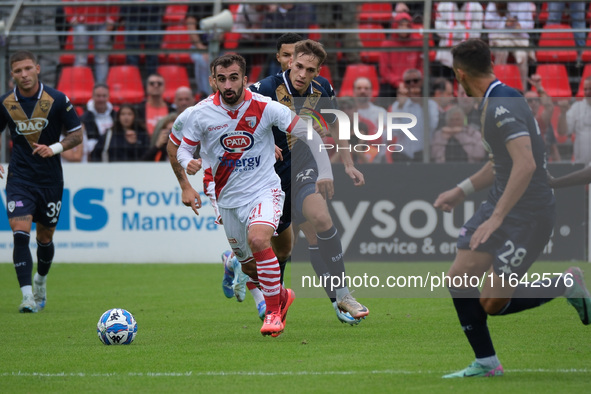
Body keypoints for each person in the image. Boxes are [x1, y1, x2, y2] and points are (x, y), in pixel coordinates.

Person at [433, 38, 590, 378]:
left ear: (460, 74)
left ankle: (564, 284)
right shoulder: (493, 100)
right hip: (502, 203)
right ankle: (487, 364)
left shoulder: (502, 104)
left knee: (493, 303)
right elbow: (499, 164)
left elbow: (525, 165)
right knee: (459, 278)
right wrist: (461, 191)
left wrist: (498, 218)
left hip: (529, 214)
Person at [176, 53, 332, 337]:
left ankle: (272, 313)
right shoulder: (200, 114)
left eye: (234, 78)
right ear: (212, 81)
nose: (228, 85)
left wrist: (325, 173)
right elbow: (183, 149)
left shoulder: (266, 107)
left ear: (245, 80)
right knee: (249, 269)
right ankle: (281, 295)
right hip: (228, 200)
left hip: (264, 190)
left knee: (259, 239)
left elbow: (309, 134)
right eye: (221, 79)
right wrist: (189, 163)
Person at [250, 40, 369, 324]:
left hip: (304, 168)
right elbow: (238, 112)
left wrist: (348, 163)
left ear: (318, 72)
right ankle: (270, 302)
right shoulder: (266, 89)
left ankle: (343, 295)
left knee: (320, 220)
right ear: (289, 62)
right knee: (279, 250)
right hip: (269, 178)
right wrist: (262, 144)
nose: (302, 74)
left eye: (310, 69)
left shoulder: (322, 89)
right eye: (299, 66)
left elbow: (337, 122)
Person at [0, 51, 83, 313]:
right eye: (17, 71)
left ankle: (40, 281)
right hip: (19, 179)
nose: (23, 75)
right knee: (20, 235)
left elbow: (77, 134)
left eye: (27, 69)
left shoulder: (57, 99)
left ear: (37, 68)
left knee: (44, 239)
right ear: (12, 74)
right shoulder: (5, 102)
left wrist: (55, 148)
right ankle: (26, 297)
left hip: (50, 181)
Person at [389, 68, 439, 162]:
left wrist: (422, 104)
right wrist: (400, 108)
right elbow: (395, 132)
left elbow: (432, 126)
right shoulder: (398, 105)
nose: (412, 84)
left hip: (423, 155)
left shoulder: (431, 104)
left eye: (415, 81)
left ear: (421, 82)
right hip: (402, 155)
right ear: (404, 84)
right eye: (408, 82)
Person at [484, 2, 536, 90]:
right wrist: (505, 23)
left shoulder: (525, 3)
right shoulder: (494, 4)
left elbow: (530, 24)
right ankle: (498, 88)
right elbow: (487, 23)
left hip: (518, 38)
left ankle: (522, 90)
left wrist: (520, 25)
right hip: (500, 37)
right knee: (502, 52)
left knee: (522, 56)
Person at [63, 0, 118, 83]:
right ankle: (79, 86)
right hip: (81, 22)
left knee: (101, 59)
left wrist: (111, 20)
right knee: (81, 59)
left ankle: (101, 86)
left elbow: (116, 3)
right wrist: (72, 18)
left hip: (103, 23)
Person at [378, 12, 423, 98]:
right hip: (391, 84)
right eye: (401, 25)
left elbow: (422, 67)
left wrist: (415, 83)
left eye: (407, 25)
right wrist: (398, 83)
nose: (404, 28)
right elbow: (384, 71)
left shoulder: (417, 43)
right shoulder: (387, 44)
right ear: (395, 26)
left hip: (413, 83)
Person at [118, 3, 163, 77]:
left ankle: (152, 81)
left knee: (152, 54)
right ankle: (132, 80)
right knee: (132, 55)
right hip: (132, 17)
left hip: (152, 17)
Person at [556, 76, 591, 165]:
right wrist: (563, 114)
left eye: (590, 89)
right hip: (582, 167)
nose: (587, 92)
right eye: (585, 89)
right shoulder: (577, 107)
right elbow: (563, 132)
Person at [81, 83, 116, 163]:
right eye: (98, 96)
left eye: (104, 96)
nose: (101, 99)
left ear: (108, 97)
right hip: (93, 158)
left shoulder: (115, 116)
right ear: (92, 96)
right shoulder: (84, 118)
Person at [135, 73, 174, 137]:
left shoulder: (172, 109)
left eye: (159, 83)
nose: (156, 86)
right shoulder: (138, 110)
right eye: (152, 83)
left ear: (164, 87)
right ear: (146, 87)